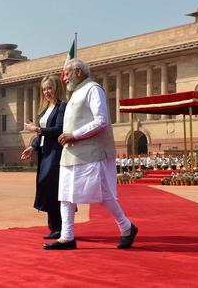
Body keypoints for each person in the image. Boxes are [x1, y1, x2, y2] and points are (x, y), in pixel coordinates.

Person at [45, 58, 137, 250]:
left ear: (79, 72)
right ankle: (67, 237)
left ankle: (126, 227)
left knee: (102, 194)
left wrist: (74, 135)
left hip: (91, 152)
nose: (64, 78)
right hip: (71, 153)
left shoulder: (93, 89)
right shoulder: (76, 93)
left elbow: (101, 120)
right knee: (65, 195)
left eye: (67, 73)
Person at [21, 75, 67, 240]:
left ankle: (61, 227)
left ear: (57, 88)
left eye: (49, 88)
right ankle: (54, 227)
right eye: (44, 89)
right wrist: (32, 146)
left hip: (56, 152)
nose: (47, 91)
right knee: (46, 186)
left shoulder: (62, 107)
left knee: (53, 187)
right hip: (44, 152)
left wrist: (37, 129)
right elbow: (42, 133)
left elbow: (58, 129)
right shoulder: (44, 111)